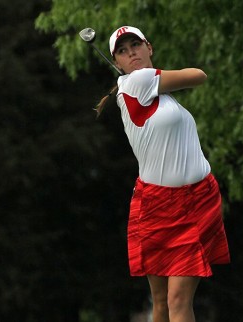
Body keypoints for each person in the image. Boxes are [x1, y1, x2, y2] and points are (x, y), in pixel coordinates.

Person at [97, 26, 230, 322]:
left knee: (175, 300)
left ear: (149, 47)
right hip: (155, 203)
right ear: (117, 62)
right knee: (161, 302)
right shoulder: (140, 81)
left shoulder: (154, 93)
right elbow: (198, 75)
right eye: (122, 50)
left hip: (197, 200)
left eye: (136, 45)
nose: (131, 52)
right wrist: (154, 76)